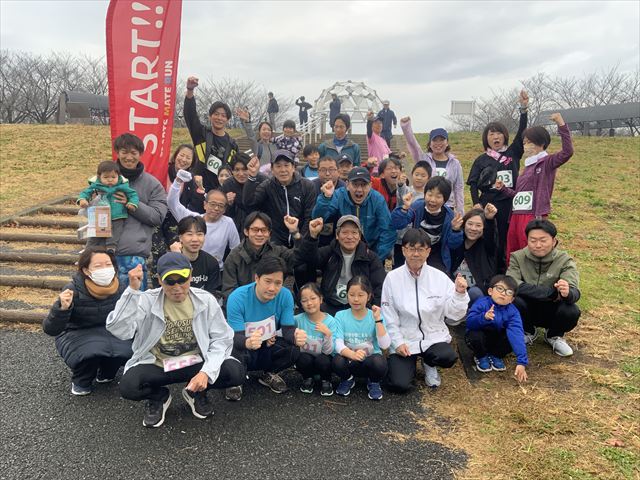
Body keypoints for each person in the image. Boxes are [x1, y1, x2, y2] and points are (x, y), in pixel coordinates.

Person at [106, 252, 244, 427]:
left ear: (191, 276)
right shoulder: (146, 300)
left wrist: (206, 373)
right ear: (159, 280)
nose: (177, 287)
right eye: (170, 281)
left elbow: (222, 338)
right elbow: (120, 330)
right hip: (158, 364)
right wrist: (132, 291)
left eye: (183, 279)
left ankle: (196, 392)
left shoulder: (205, 299)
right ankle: (159, 397)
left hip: (195, 362)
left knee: (235, 372)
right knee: (129, 386)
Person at [382, 229, 469, 391]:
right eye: (411, 248)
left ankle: (429, 363)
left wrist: (459, 293)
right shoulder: (392, 278)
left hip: (432, 337)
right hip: (406, 339)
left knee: (447, 357)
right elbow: (389, 316)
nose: (416, 254)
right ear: (403, 250)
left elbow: (454, 314)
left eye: (421, 249)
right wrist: (398, 342)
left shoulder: (439, 277)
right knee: (399, 385)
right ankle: (407, 365)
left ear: (428, 251)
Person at [43, 247, 132, 396]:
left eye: (108, 264)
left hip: (110, 329)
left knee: (126, 347)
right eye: (98, 266)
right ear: (86, 270)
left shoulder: (121, 287)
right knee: (91, 351)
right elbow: (51, 329)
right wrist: (62, 308)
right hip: (77, 332)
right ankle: (81, 380)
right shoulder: (73, 289)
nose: (105, 269)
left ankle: (107, 371)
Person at [224, 256, 305, 400]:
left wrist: (296, 335)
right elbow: (234, 336)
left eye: (278, 283)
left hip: (268, 345)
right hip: (244, 346)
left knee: (294, 349)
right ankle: (236, 380)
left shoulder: (286, 296)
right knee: (231, 348)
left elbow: (287, 329)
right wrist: (247, 342)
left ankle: (269, 373)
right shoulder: (237, 298)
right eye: (268, 281)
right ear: (257, 278)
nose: (272, 288)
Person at [467, 90, 529, 272]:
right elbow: (472, 183)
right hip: (489, 204)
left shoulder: (513, 152)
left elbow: (522, 131)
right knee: (490, 237)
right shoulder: (481, 159)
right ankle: (490, 270)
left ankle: (509, 270)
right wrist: (476, 203)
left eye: (499, 133)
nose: (495, 137)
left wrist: (523, 110)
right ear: (486, 138)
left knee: (508, 237)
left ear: (504, 136)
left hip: (510, 203)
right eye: (491, 134)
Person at [499, 113, 574, 261]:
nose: (526, 146)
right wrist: (503, 189)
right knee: (513, 250)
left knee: (529, 250)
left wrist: (561, 124)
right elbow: (518, 195)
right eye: (524, 142)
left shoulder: (547, 162)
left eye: (529, 142)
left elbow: (567, 152)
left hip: (533, 215)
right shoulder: (527, 167)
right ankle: (513, 274)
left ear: (541, 143)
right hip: (516, 215)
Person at [506, 219, 581, 357]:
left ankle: (554, 335)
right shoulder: (517, 257)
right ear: (527, 240)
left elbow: (574, 291)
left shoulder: (565, 260)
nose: (538, 245)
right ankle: (528, 331)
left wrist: (567, 292)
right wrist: (552, 293)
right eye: (533, 240)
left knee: (571, 310)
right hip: (527, 308)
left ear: (553, 241)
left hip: (552, 310)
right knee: (513, 300)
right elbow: (512, 284)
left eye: (543, 240)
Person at [111, 133, 167, 290]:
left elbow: (157, 216)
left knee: (134, 302)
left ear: (140, 154)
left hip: (133, 255)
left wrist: (132, 204)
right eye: (124, 152)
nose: (129, 157)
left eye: (133, 153)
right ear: (117, 153)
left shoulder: (152, 184)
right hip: (103, 253)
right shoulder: (104, 179)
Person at [301, 216, 387, 316]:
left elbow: (380, 286)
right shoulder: (330, 251)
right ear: (337, 235)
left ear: (359, 236)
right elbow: (310, 260)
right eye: (345, 232)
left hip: (360, 306)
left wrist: (373, 310)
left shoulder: (370, 257)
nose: (350, 237)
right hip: (331, 305)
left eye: (354, 232)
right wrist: (312, 236)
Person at [313, 167, 397, 262]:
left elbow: (388, 231)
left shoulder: (377, 199)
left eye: (364, 185)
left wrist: (376, 258)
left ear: (370, 185)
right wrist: (326, 198)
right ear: (347, 184)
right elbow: (318, 218)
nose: (359, 189)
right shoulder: (338, 195)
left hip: (370, 249)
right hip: (343, 247)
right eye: (355, 184)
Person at [221, 212, 306, 302]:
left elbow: (299, 257)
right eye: (255, 230)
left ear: (269, 233)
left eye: (264, 230)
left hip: (272, 302)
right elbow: (229, 291)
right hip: (244, 305)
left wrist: (295, 232)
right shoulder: (234, 257)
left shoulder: (277, 251)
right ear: (246, 231)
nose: (259, 234)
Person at [168, 171, 240, 273]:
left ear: (225, 209)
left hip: (216, 270)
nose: (216, 208)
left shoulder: (228, 223)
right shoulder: (193, 219)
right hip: (189, 268)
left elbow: (236, 249)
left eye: (220, 206)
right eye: (212, 204)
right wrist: (178, 181)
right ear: (205, 205)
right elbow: (172, 203)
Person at [332, 276, 390, 400]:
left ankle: (373, 381)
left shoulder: (376, 315)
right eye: (352, 295)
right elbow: (337, 343)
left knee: (380, 362)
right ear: (347, 295)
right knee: (337, 360)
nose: (356, 299)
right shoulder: (340, 316)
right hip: (350, 361)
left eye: (361, 295)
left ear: (368, 296)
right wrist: (352, 355)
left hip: (369, 362)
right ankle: (347, 379)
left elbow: (384, 345)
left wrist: (377, 320)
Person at [243, 150, 317, 247]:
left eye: (286, 165)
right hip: (276, 241)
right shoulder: (267, 186)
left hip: (300, 237)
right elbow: (249, 202)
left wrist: (301, 240)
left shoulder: (307, 186)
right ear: (272, 169)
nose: (283, 170)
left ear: (293, 167)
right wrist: (252, 176)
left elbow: (309, 216)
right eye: (278, 166)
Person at [392, 176, 464, 275]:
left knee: (437, 276)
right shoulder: (417, 207)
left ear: (445, 199)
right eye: (430, 194)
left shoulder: (450, 216)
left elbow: (453, 245)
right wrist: (405, 208)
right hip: (416, 249)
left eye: (438, 197)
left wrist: (455, 230)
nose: (432, 200)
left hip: (437, 254)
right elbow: (397, 223)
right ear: (425, 194)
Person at [466, 275, 528, 382]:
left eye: (509, 292)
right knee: (474, 334)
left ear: (512, 299)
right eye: (500, 288)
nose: (503, 293)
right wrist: (484, 317)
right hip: (481, 337)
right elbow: (469, 323)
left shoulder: (513, 312)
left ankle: (496, 355)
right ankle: (481, 356)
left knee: (511, 337)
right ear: (490, 291)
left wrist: (521, 362)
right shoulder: (481, 303)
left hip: (496, 339)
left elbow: (517, 333)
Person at [184, 76, 238, 191]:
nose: (219, 118)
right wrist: (190, 90)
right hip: (198, 189)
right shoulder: (201, 133)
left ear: (228, 120)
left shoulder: (233, 144)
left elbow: (235, 169)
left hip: (221, 192)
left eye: (223, 116)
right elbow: (190, 115)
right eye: (216, 114)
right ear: (210, 116)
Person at [400, 119, 465, 214]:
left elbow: (458, 188)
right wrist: (406, 126)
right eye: (435, 140)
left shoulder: (455, 164)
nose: (438, 143)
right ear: (430, 144)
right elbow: (413, 145)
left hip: (448, 207)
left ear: (447, 143)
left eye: (441, 140)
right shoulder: (424, 159)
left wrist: (460, 212)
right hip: (427, 204)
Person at [77, 160, 139, 252]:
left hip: (118, 214)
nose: (110, 180)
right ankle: (89, 248)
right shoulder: (96, 185)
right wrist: (82, 200)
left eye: (113, 177)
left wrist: (132, 203)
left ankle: (111, 247)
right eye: (106, 177)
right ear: (99, 176)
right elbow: (85, 192)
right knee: (96, 232)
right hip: (100, 214)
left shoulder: (122, 186)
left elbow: (133, 194)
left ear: (118, 176)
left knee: (116, 231)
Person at [450, 204, 499, 305]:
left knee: (474, 293)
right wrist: (455, 230)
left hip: (477, 289)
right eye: (470, 224)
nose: (473, 228)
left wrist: (489, 220)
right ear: (464, 224)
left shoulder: (487, 246)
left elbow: (491, 236)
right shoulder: (458, 240)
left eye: (478, 225)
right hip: (454, 286)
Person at [295, 283, 338, 396]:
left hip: (324, 360)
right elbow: (284, 331)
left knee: (323, 359)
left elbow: (329, 351)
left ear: (321, 299)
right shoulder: (298, 320)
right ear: (300, 303)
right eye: (304, 300)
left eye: (313, 298)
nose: (309, 303)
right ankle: (307, 378)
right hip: (307, 360)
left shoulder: (330, 321)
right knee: (302, 358)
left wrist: (327, 334)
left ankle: (326, 380)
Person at [169, 216, 220, 296]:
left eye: (199, 234)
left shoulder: (211, 262)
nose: (195, 239)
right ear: (180, 238)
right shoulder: (169, 261)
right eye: (189, 234)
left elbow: (211, 295)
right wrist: (177, 258)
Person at [220, 152, 267, 235]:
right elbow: (227, 215)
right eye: (237, 170)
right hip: (238, 225)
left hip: (262, 222)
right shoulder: (228, 184)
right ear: (232, 171)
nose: (241, 174)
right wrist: (229, 204)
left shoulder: (263, 180)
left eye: (244, 169)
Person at [366, 111, 391, 175]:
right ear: (372, 125)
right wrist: (369, 120)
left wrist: (399, 156)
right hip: (375, 171)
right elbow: (369, 131)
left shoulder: (383, 140)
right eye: (376, 123)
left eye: (380, 123)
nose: (378, 125)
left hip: (384, 171)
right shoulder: (372, 137)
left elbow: (389, 155)